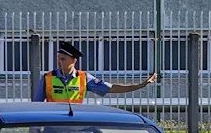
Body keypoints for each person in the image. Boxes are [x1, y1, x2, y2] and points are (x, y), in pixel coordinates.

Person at [32, 41, 160, 103]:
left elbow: (110, 88)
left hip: (75, 124)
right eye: (58, 58)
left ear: (74, 60)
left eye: (63, 59)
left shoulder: (84, 78)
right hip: (53, 126)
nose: (59, 62)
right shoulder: (47, 78)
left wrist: (140, 85)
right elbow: (37, 104)